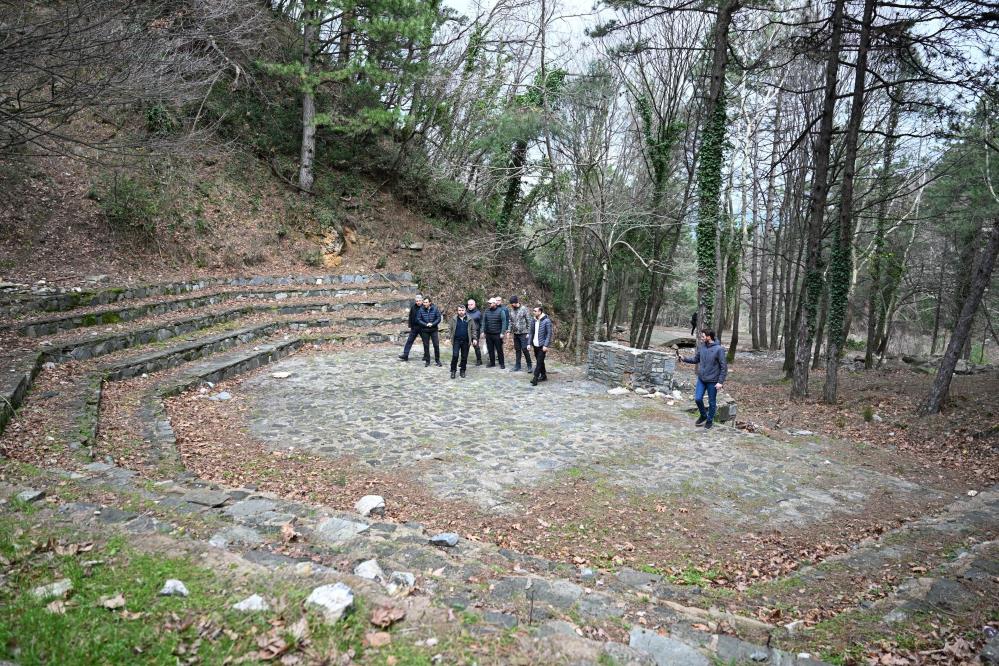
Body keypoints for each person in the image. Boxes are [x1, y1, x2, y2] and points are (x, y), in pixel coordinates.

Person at [678, 329, 727, 430]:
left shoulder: (719, 349)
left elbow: (724, 367)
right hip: (702, 379)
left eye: (703, 336)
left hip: (713, 381)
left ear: (709, 337)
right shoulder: (702, 347)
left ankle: (709, 420)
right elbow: (696, 359)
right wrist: (684, 358)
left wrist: (720, 382)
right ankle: (703, 415)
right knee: (698, 398)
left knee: (712, 402)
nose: (701, 337)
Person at [449, 304, 478, 378]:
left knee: (464, 357)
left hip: (466, 341)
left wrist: (474, 338)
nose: (461, 312)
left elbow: (473, 329)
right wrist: (448, 338)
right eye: (459, 310)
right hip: (456, 340)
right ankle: (453, 371)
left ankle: (462, 370)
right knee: (455, 355)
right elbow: (450, 329)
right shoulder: (454, 319)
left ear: (465, 311)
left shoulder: (469, 319)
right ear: (457, 311)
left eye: (462, 310)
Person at [480, 297, 508, 368]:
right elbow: (484, 321)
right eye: (488, 303)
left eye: (490, 303)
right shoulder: (486, 311)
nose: (489, 304)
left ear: (494, 303)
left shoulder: (501, 311)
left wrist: (502, 332)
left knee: (499, 350)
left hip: (497, 334)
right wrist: (482, 331)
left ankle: (502, 364)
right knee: (490, 349)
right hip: (488, 334)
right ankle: (492, 363)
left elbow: (504, 322)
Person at [507, 295, 533, 372]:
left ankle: (529, 365)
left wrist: (529, 332)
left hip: (524, 333)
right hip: (515, 333)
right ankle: (517, 365)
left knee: (525, 349)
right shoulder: (511, 310)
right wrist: (509, 331)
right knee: (517, 349)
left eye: (513, 303)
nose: (512, 305)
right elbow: (510, 322)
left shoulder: (524, 309)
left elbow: (529, 321)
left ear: (516, 302)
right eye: (511, 304)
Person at [529, 305, 553, 387]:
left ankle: (535, 378)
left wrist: (546, 345)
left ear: (540, 312)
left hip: (542, 345)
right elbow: (531, 332)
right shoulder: (533, 320)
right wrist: (529, 343)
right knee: (540, 361)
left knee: (539, 362)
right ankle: (544, 376)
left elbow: (549, 334)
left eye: (535, 311)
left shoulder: (547, 321)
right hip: (535, 345)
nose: (534, 312)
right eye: (533, 311)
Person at [416, 296, 442, 367]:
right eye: (424, 302)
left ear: (430, 303)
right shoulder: (421, 310)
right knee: (426, 346)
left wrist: (432, 324)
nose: (424, 304)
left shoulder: (435, 308)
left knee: (436, 345)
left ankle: (437, 360)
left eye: (426, 302)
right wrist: (426, 324)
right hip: (424, 330)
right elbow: (418, 319)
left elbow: (438, 318)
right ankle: (427, 361)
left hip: (434, 330)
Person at [398, 294, 424, 361]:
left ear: (422, 301)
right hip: (414, 327)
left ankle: (426, 355)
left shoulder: (424, 307)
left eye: (419, 301)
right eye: (417, 301)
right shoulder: (413, 307)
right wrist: (410, 325)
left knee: (425, 342)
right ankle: (405, 355)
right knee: (409, 341)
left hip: (422, 327)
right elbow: (410, 316)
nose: (418, 302)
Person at [466, 298, 483, 366]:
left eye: (471, 304)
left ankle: (479, 360)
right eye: (468, 304)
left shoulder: (478, 313)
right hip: (467, 332)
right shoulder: (465, 313)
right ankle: (464, 360)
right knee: (465, 347)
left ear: (474, 305)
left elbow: (482, 323)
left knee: (476, 346)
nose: (469, 306)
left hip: (476, 332)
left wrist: (482, 331)